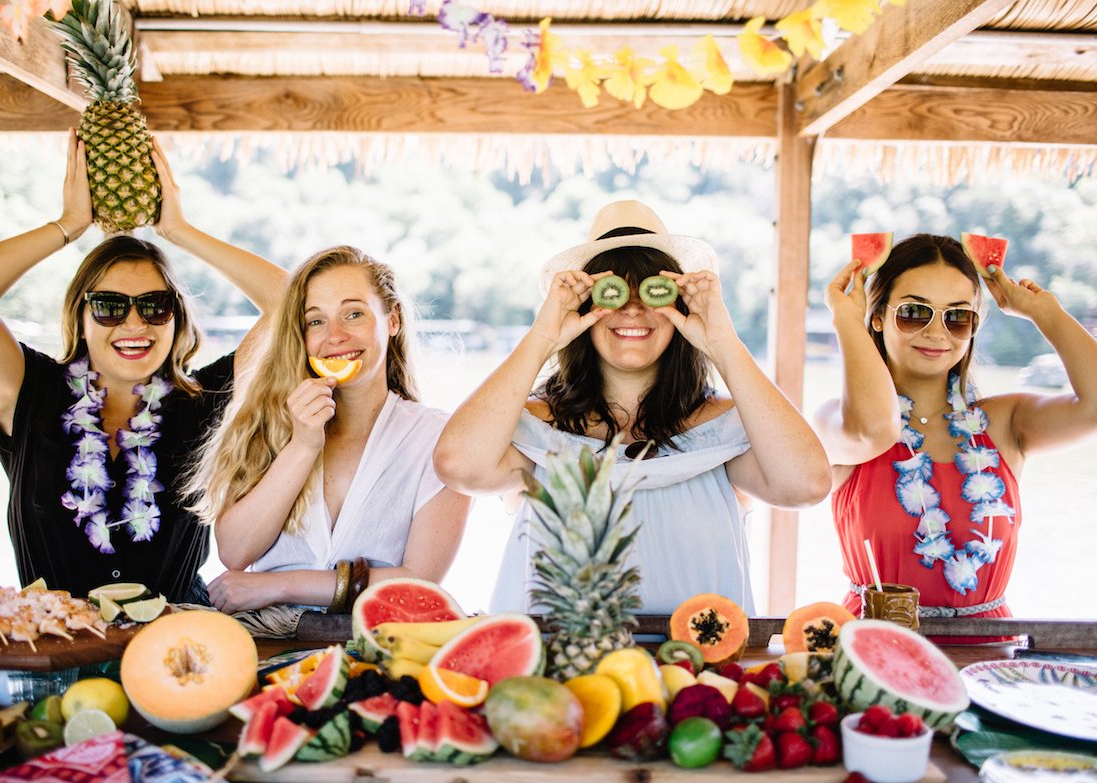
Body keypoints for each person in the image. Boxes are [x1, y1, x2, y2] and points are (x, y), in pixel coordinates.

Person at [0, 131, 287, 604]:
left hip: (180, 654)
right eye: (110, 306)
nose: (134, 323)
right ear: (80, 315)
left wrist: (179, 231)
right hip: (52, 655)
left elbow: (293, 305)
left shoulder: (209, 400)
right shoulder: (28, 391)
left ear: (177, 317)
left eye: (155, 305)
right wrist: (68, 225)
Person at [434, 200, 831, 615]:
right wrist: (544, 336)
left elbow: (805, 485)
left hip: (698, 669)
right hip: (557, 673)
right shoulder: (534, 425)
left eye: (651, 290)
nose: (633, 308)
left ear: (677, 305)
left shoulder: (727, 426)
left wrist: (723, 345)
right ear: (587, 306)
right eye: (614, 293)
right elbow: (459, 465)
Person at [816, 233, 1097, 634]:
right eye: (914, 312)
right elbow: (874, 428)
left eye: (957, 316)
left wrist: (1043, 312)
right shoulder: (836, 421)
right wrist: (846, 319)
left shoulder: (1005, 422)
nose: (937, 332)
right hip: (876, 652)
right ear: (877, 316)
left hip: (990, 661)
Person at [189, 246, 471, 615]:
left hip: (378, 655)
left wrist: (280, 585)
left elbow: (418, 584)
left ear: (393, 320)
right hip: (267, 650)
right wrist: (303, 446)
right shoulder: (270, 421)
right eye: (316, 321)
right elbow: (235, 551)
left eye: (353, 314)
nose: (335, 336)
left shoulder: (437, 438)